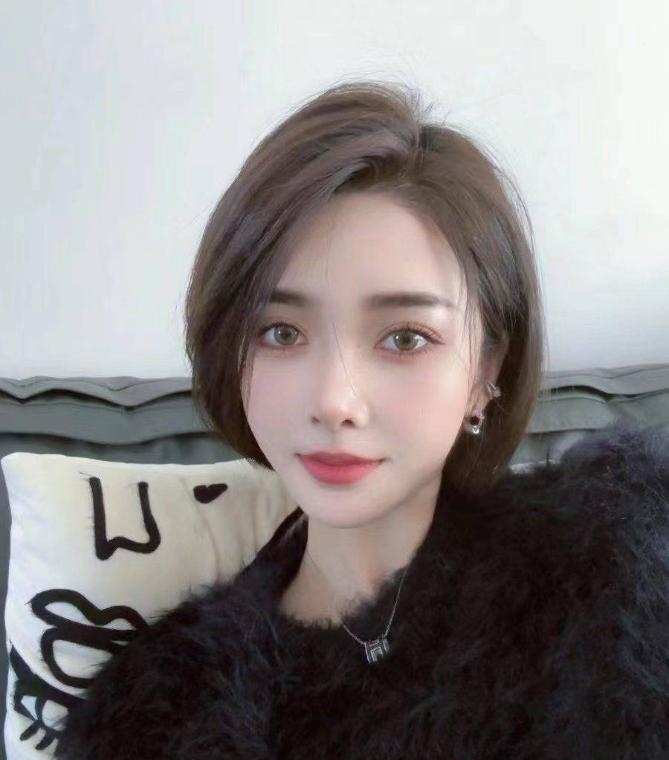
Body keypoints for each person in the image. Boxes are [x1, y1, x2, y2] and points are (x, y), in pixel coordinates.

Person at [53, 79, 669, 760]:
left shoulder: (619, 557)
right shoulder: (155, 712)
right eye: (281, 332)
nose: (334, 401)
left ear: (486, 369)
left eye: (404, 338)